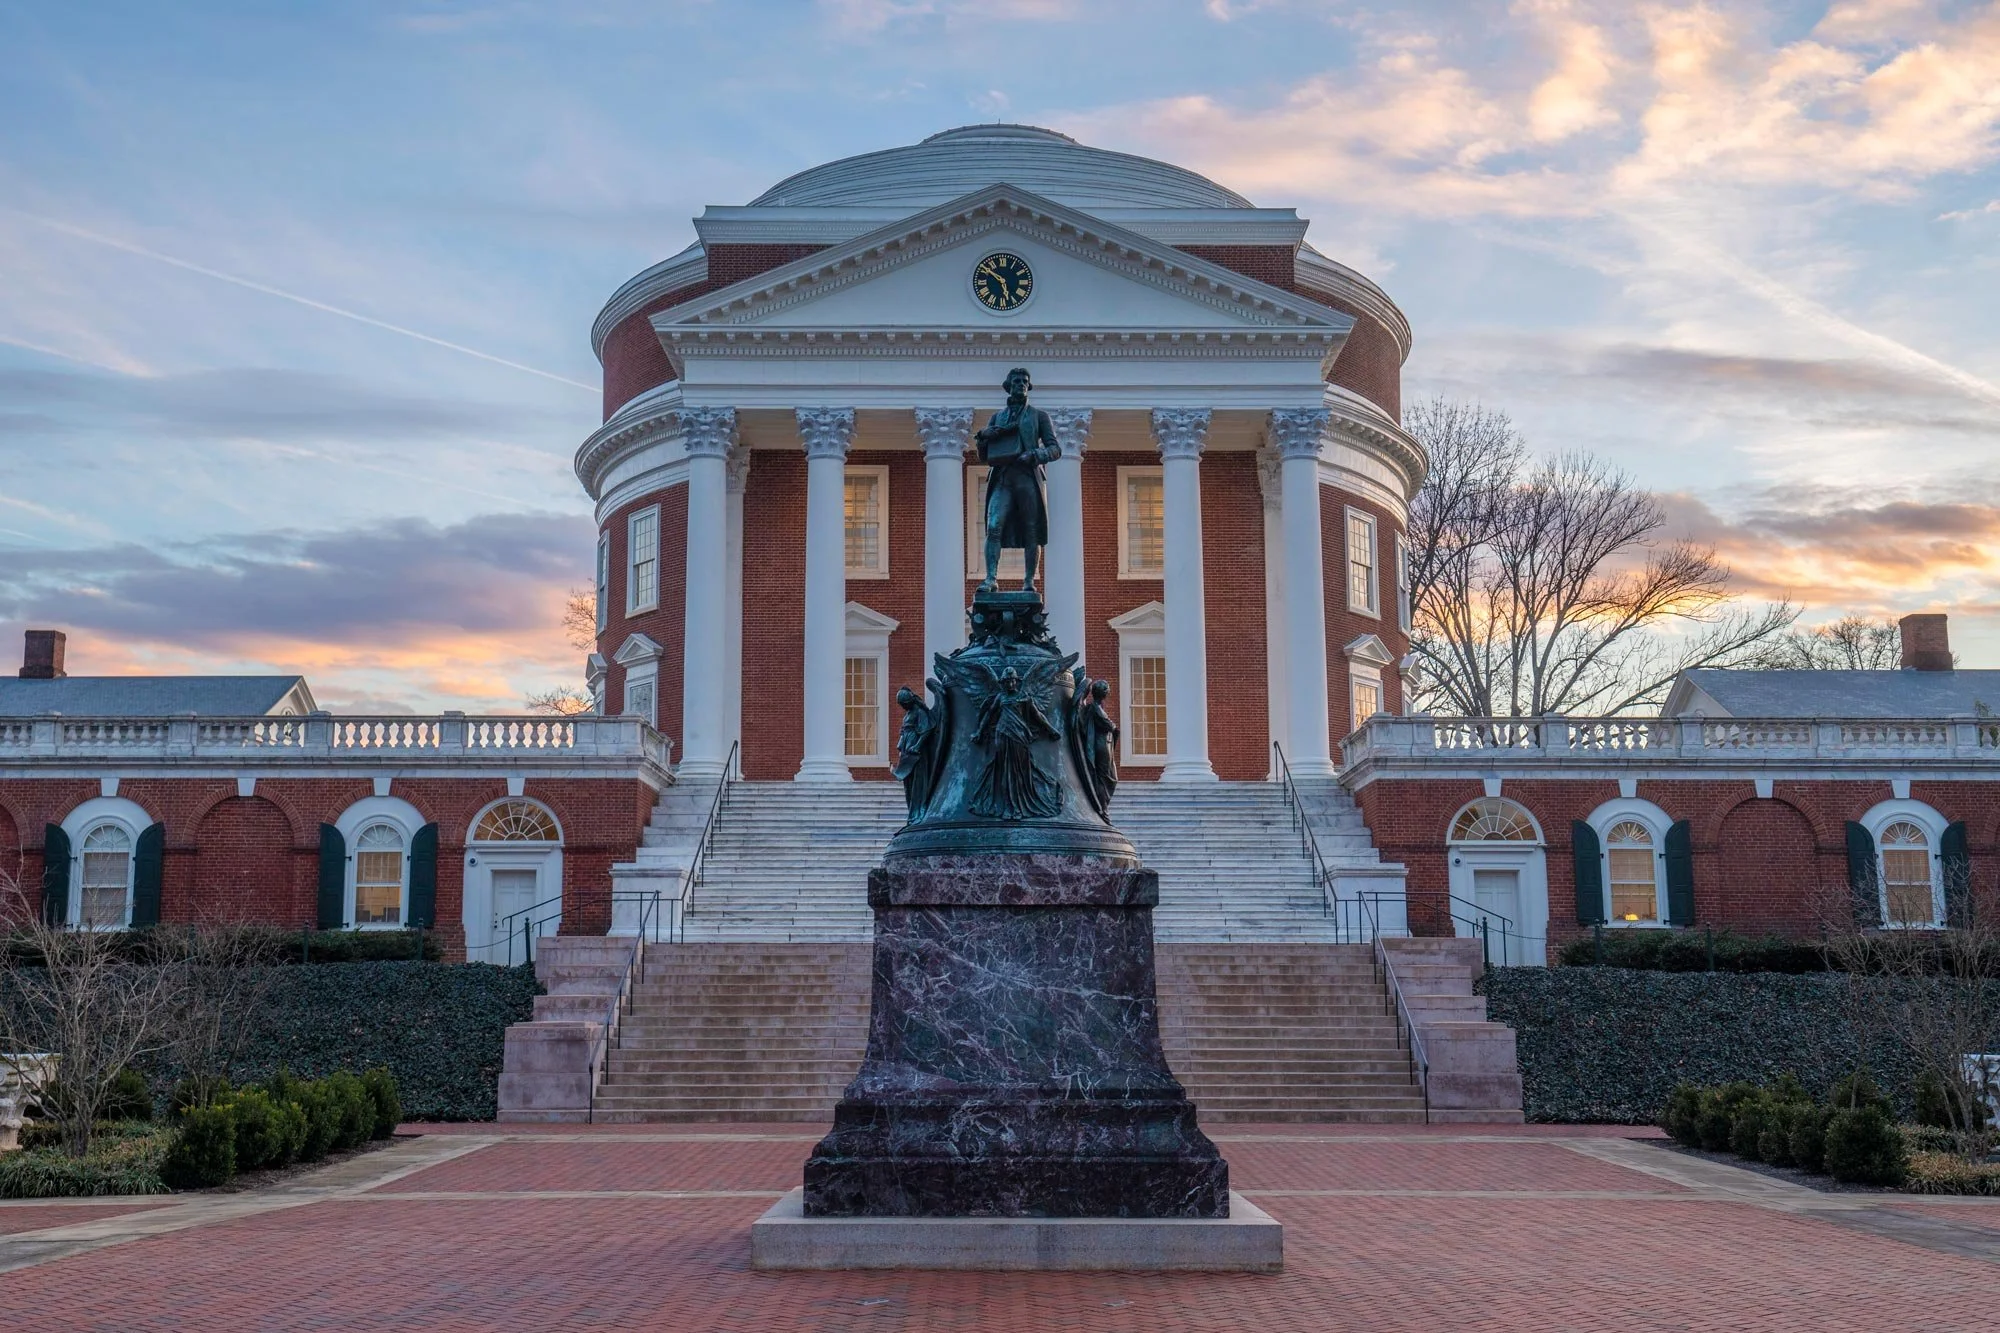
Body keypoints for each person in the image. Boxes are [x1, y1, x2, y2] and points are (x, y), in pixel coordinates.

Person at [974, 367, 1062, 592]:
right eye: (1017, 381)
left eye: (1025, 381)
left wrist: (1034, 455)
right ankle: (991, 579)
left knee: (1031, 529)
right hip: (1003, 477)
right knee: (994, 526)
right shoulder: (998, 417)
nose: (1021, 384)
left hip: (1026, 477)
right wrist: (983, 438)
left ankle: (1029, 582)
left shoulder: (1038, 416)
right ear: (1008, 386)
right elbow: (984, 456)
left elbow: (1055, 449)